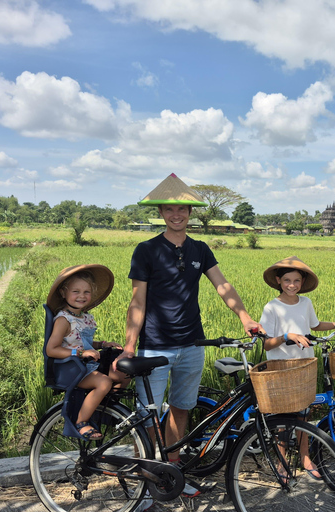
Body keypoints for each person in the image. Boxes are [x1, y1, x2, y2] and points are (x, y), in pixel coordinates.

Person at [114, 174, 260, 498]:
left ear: (190, 213)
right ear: (162, 213)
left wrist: (245, 316)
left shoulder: (200, 249)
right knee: (147, 418)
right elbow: (137, 301)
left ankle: (173, 473)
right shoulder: (146, 250)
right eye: (169, 209)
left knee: (181, 409)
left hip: (193, 344)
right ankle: (147, 483)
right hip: (154, 347)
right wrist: (129, 345)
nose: (176, 215)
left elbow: (222, 285)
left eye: (182, 210)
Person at [259, 256, 335, 478]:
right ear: (278, 281)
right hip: (282, 367)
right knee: (283, 419)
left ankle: (305, 458)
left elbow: (314, 325)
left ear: (302, 283)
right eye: (287, 280)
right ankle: (282, 462)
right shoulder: (272, 307)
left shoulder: (306, 303)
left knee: (304, 414)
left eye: (296, 281)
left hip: (305, 365)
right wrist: (286, 336)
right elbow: (266, 344)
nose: (291, 285)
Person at [46, 265, 129, 440]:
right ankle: (81, 421)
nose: (82, 296)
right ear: (63, 293)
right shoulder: (63, 320)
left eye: (86, 292)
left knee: (124, 373)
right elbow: (51, 349)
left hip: (86, 366)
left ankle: (102, 407)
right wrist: (79, 353)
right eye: (76, 291)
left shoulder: (85, 317)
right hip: (71, 369)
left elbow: (84, 342)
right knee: (104, 382)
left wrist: (102, 344)